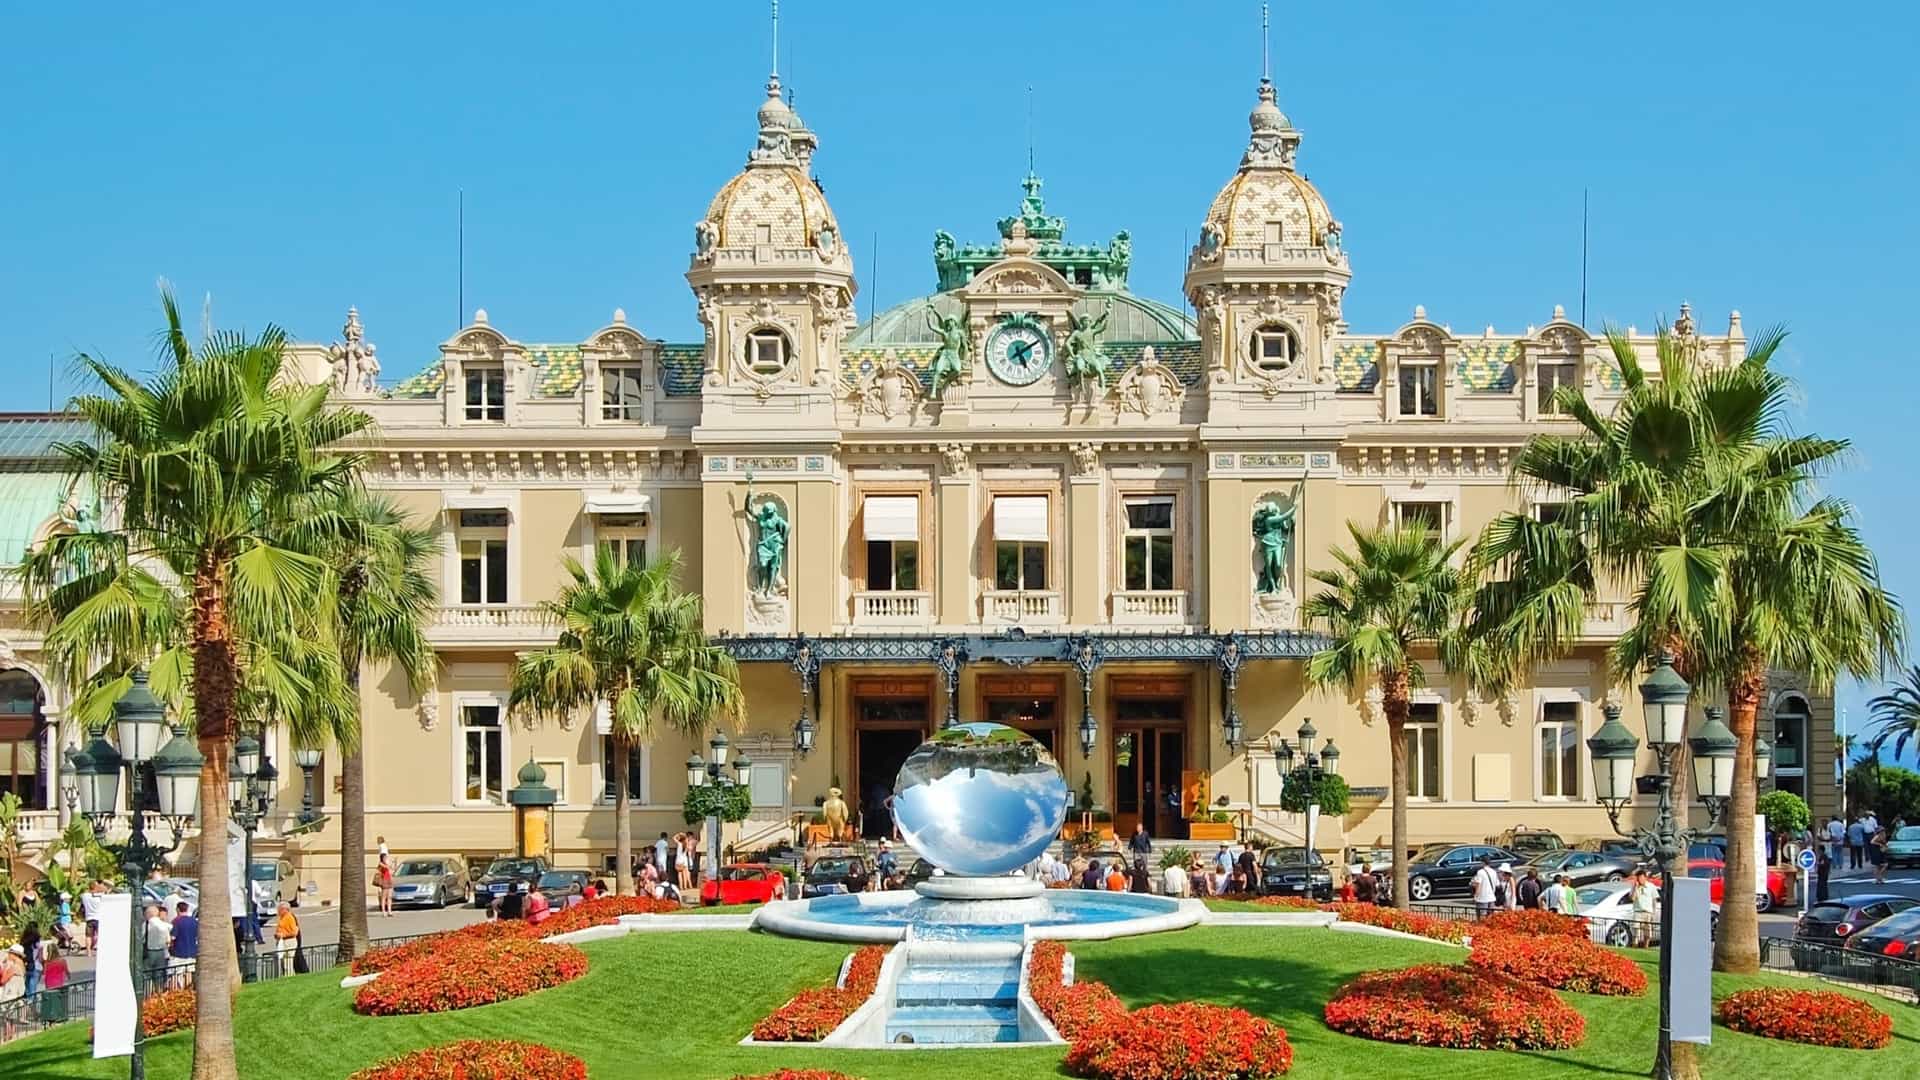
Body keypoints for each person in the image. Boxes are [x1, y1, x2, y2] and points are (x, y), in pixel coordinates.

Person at [168, 900, 198, 990]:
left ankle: (179, 991)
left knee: (177, 973)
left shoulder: (176, 921)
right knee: (189, 973)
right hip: (192, 952)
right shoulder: (194, 921)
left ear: (177, 909)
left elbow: (173, 937)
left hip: (179, 953)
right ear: (187, 909)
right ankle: (188, 990)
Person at [143, 903, 172, 992]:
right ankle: (158, 993)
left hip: (149, 952)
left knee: (147, 975)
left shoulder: (146, 924)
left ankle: (147, 994)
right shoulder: (164, 925)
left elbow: (141, 937)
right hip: (161, 952)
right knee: (159, 974)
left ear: (148, 914)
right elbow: (168, 940)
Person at [38, 943, 69, 1024]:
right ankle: (60, 1016)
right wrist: (68, 977)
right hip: (59, 983)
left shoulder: (47, 963)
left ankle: (51, 1019)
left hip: (49, 984)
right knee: (59, 1000)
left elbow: (44, 973)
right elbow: (66, 971)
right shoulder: (62, 961)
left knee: (50, 1002)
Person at [1630, 870, 1659, 947]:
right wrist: (1636, 888)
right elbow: (1632, 898)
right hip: (1638, 912)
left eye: (1641, 878)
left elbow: (1654, 900)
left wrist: (1653, 912)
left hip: (1648, 912)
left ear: (1645, 878)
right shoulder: (1634, 887)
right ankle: (1635, 946)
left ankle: (1646, 947)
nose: (1640, 880)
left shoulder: (1651, 886)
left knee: (1647, 933)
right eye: (1638, 878)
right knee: (1636, 932)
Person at [273, 901, 300, 968]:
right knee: (283, 963)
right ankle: (286, 975)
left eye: (279, 909)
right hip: (282, 941)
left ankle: (289, 976)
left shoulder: (289, 917)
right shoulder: (282, 917)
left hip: (289, 942)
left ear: (284, 909)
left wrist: (283, 935)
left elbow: (294, 932)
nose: (278, 911)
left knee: (288, 963)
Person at [81, 880, 105, 956]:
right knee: (100, 935)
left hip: (89, 918)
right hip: (98, 918)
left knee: (88, 936)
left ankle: (88, 952)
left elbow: (84, 894)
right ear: (95, 887)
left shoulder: (85, 896)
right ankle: (100, 951)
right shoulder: (100, 896)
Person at [18, 922, 41, 998]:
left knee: (27, 987)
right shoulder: (36, 940)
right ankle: (31, 1006)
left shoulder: (23, 941)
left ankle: (27, 1005)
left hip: (25, 966)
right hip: (35, 966)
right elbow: (39, 956)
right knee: (32, 989)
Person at [376, 844, 396, 917]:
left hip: (389, 880)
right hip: (384, 881)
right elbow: (386, 867)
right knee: (384, 897)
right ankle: (384, 911)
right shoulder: (380, 864)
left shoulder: (387, 863)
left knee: (389, 897)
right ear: (382, 858)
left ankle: (389, 911)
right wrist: (389, 864)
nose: (386, 858)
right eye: (385, 857)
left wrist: (393, 864)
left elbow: (392, 869)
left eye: (386, 857)